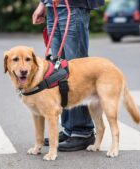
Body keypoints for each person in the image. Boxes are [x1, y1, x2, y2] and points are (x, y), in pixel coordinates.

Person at [32, 0, 104, 151]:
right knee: (59, 70)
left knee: (76, 70)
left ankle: (82, 131)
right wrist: (43, 3)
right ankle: (69, 128)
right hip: (53, 6)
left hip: (74, 5)